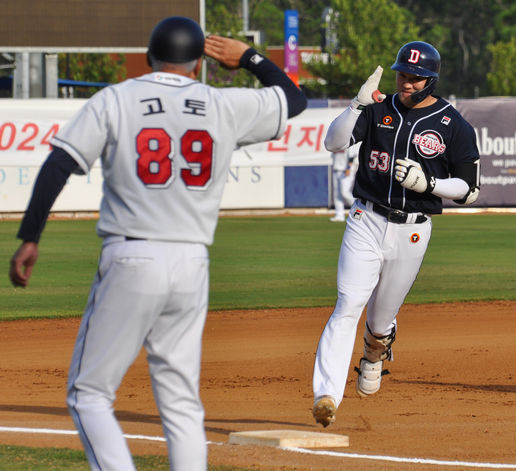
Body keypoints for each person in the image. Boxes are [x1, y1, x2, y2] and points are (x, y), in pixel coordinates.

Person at [8, 16, 306, 471]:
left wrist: (30, 237)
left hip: (132, 255)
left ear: (149, 57)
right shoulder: (221, 104)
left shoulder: (117, 98)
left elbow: (58, 164)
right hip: (192, 262)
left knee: (88, 394)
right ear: (198, 63)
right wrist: (248, 57)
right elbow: (293, 99)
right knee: (182, 401)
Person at [311, 41, 480, 427]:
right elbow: (333, 142)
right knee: (348, 304)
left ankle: (375, 352)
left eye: (415, 77)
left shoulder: (454, 126)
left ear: (431, 80)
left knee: (381, 318)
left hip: (413, 230)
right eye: (403, 74)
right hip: (365, 218)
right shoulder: (377, 108)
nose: (406, 82)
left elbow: (470, 190)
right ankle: (326, 395)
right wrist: (356, 105)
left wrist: (430, 183)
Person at [329, 143, 359, 221]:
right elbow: (333, 157)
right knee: (337, 195)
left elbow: (352, 156)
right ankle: (339, 215)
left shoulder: (348, 143)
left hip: (345, 171)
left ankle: (358, 208)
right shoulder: (336, 143)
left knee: (344, 193)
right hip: (336, 170)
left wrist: (348, 168)